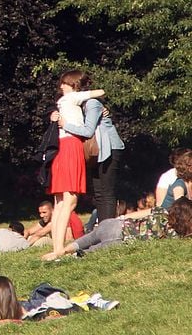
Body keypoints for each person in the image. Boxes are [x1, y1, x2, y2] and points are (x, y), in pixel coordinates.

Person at [46, 70, 102, 260]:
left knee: (61, 202)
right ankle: (59, 249)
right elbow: (100, 92)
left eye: (64, 83)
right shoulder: (71, 99)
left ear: (72, 83)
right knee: (70, 201)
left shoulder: (62, 103)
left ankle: (56, 247)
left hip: (62, 148)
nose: (61, 86)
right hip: (71, 147)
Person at [43, 196, 192, 260]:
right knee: (85, 254)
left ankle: (60, 252)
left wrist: (119, 219)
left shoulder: (162, 212)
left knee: (85, 240)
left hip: (113, 225)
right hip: (119, 241)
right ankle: (66, 257)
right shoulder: (174, 233)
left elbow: (135, 215)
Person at [58, 80, 125, 222]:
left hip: (109, 148)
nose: (61, 87)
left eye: (65, 84)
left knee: (106, 192)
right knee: (99, 193)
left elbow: (88, 131)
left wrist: (66, 125)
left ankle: (107, 232)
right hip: (97, 153)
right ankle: (102, 230)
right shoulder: (83, 106)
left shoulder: (91, 104)